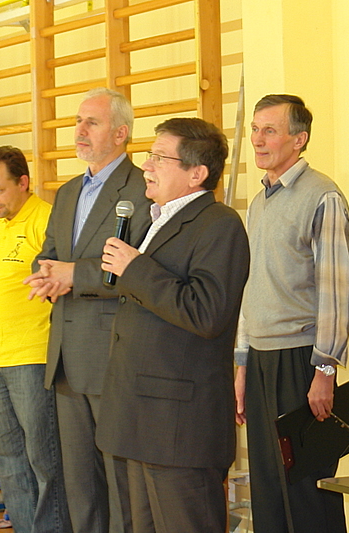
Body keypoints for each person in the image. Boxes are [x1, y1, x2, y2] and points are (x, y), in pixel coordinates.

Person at [95, 117, 250, 533]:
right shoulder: (156, 219)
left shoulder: (220, 224)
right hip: (139, 417)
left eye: (159, 158)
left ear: (196, 173)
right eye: (150, 156)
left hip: (180, 427)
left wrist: (135, 268)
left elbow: (207, 312)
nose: (146, 166)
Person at [24, 88, 151, 533]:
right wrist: (45, 274)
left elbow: (139, 267)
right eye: (78, 121)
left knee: (120, 485)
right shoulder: (67, 192)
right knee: (80, 486)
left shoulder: (141, 190)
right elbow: (50, 253)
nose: (79, 130)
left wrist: (74, 275)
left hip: (112, 355)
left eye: (91, 122)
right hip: (66, 358)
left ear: (120, 133)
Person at [234, 94, 349, 533]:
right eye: (254, 129)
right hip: (260, 361)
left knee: (307, 492)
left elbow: (336, 289)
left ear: (299, 139)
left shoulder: (323, 196)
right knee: (268, 490)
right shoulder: (258, 202)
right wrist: (242, 363)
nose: (257, 139)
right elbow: (250, 287)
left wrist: (325, 368)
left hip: (302, 360)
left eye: (269, 130)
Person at [0, 146, 71, 533]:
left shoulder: (46, 220)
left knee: (43, 458)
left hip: (33, 355)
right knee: (9, 456)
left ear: (23, 183)